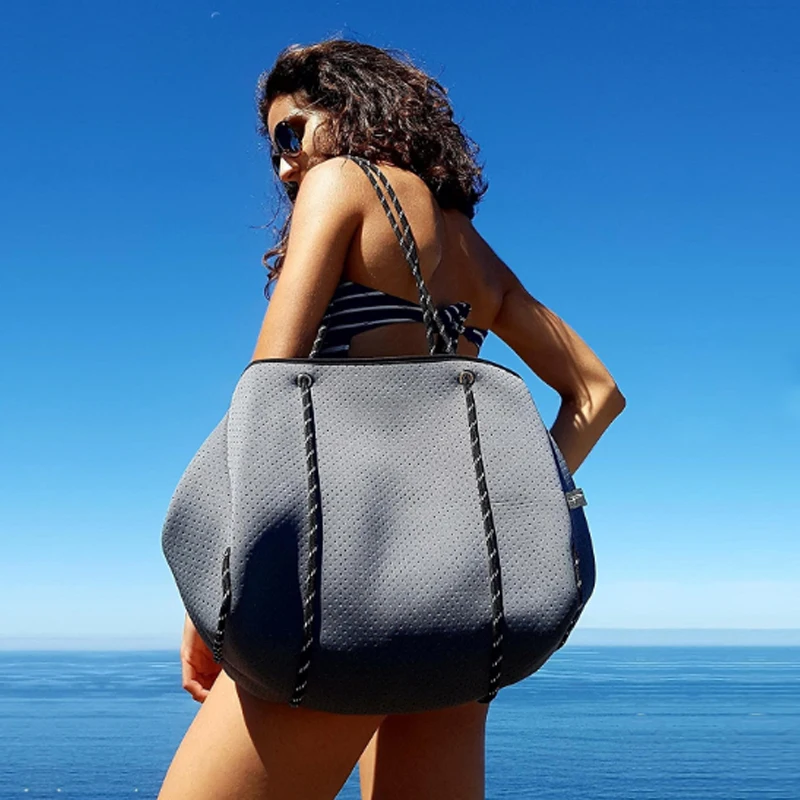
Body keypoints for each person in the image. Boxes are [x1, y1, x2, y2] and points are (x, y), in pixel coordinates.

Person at [158, 37, 625, 800]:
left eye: (290, 134)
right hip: (464, 609)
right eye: (273, 151)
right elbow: (598, 394)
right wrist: (511, 501)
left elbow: (270, 390)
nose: (284, 166)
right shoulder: (476, 251)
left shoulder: (342, 181)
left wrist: (217, 593)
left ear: (350, 107)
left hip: (332, 594)